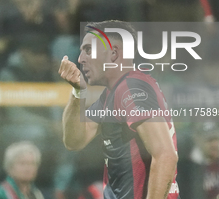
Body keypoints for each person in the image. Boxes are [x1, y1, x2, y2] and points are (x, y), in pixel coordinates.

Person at [58, 20, 179, 199]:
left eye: (88, 50)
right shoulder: (113, 93)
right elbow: (74, 141)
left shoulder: (131, 88)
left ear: (113, 53)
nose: (80, 58)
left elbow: (165, 156)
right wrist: (77, 92)